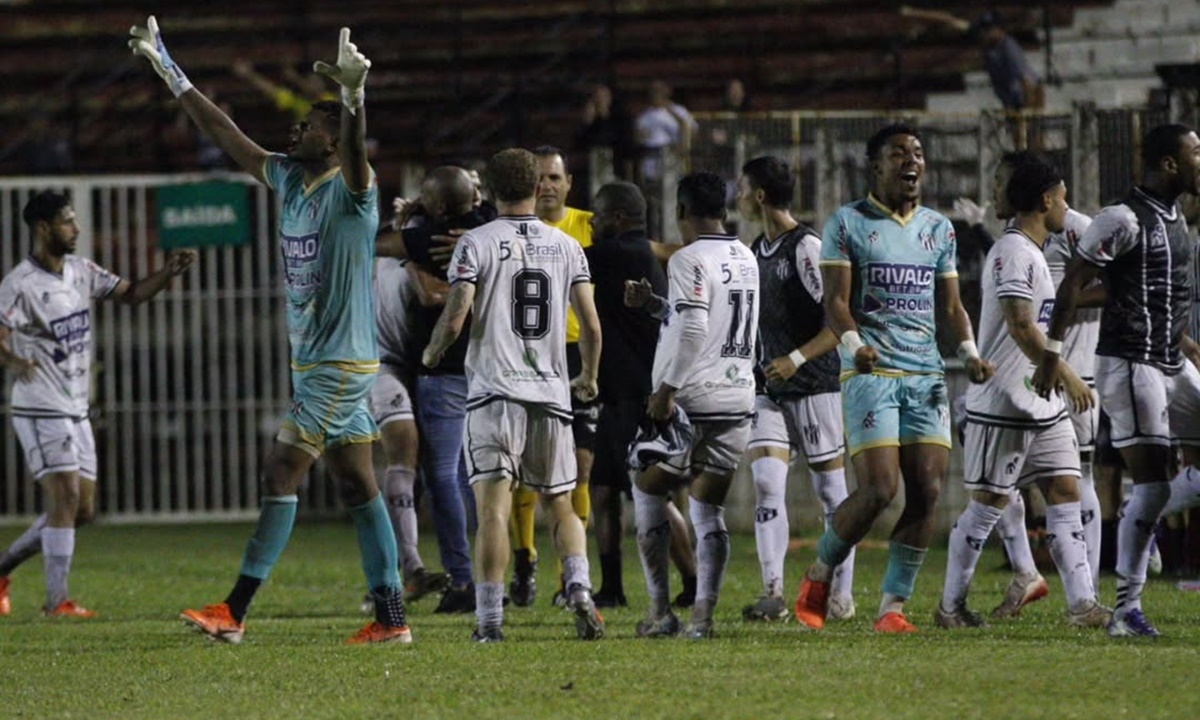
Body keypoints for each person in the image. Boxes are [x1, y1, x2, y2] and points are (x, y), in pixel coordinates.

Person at [131, 17, 410, 644]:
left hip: (339, 362)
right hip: (318, 360)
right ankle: (392, 619)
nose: (298, 130)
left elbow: (359, 152)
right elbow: (225, 132)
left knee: (281, 470)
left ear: (334, 142)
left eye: (312, 126)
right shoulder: (288, 176)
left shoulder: (353, 191)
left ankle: (234, 610)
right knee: (357, 484)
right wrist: (169, 71)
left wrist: (354, 99)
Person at [793, 123, 993, 633]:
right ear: (875, 165)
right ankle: (820, 572)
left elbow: (951, 305)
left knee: (926, 489)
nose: (912, 161)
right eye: (898, 153)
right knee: (879, 489)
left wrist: (968, 352)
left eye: (918, 153)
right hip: (871, 371)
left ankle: (892, 609)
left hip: (925, 373)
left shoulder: (938, 228)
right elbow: (835, 301)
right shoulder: (848, 223)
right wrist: (855, 346)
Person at [422, 148, 604, 643]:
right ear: (535, 187)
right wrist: (587, 374)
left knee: (494, 512)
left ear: (494, 190)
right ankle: (582, 591)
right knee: (561, 504)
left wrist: (433, 353)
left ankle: (489, 621)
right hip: (550, 392)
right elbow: (590, 323)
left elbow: (457, 313)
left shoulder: (476, 242)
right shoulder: (566, 245)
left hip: (494, 394)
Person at [1033, 123, 1200, 638]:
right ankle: (1126, 610)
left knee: (1151, 494)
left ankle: (1137, 511)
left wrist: (1188, 346)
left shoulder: (1176, 220)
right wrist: (1051, 357)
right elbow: (1073, 286)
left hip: (1170, 362)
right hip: (1130, 365)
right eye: (1197, 153)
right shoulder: (1121, 219)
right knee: (1151, 485)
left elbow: (1144, 291)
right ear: (1169, 164)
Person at [0, 190, 197, 618]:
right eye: (68, 222)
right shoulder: (19, 285)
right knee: (65, 495)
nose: (77, 228)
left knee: (82, 509)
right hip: (39, 404)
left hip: (76, 405)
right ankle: (57, 602)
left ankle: (2, 571)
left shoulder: (80, 271)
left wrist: (166, 273)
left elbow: (129, 293)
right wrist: (14, 359)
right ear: (43, 228)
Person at [939, 154, 1110, 629]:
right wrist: (1068, 374)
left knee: (1065, 490)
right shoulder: (1014, 251)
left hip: (1040, 402)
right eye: (1061, 197)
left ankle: (1082, 605)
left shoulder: (1033, 250)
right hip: (1005, 403)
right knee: (988, 505)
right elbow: (1019, 325)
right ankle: (950, 606)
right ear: (1045, 200)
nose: (1066, 206)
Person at [626, 171, 759, 639]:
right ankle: (702, 620)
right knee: (707, 508)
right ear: (723, 210)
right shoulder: (745, 255)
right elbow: (711, 318)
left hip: (692, 397)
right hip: (737, 396)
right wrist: (656, 306)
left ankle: (661, 613)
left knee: (645, 486)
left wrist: (667, 390)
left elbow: (697, 329)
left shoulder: (687, 258)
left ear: (680, 211)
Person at [733, 156, 856, 622]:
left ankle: (839, 596)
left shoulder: (805, 247)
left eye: (743, 189)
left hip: (815, 386)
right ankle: (774, 593)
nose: (738, 198)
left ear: (760, 196)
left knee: (832, 496)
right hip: (769, 389)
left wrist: (797, 359)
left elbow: (839, 322)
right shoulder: (754, 249)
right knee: (766, 484)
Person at [378, 165, 494, 614]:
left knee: (443, 473)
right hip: (490, 364)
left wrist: (408, 227)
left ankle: (463, 579)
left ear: (439, 205)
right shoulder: (492, 227)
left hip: (442, 367)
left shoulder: (428, 237)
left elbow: (370, 244)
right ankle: (496, 576)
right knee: (481, 474)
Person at [508, 146, 599, 608]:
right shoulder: (511, 229)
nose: (547, 185)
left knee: (577, 468)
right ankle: (524, 561)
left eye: (555, 178)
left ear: (568, 184)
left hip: (575, 356)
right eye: (540, 178)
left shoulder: (588, 227)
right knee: (522, 474)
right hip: (527, 357)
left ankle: (570, 577)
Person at [583, 181, 667, 608]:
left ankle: (689, 579)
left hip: (635, 393)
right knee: (602, 488)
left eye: (596, 216)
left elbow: (561, 261)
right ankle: (612, 586)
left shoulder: (620, 254)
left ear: (616, 217)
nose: (591, 224)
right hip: (620, 393)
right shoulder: (641, 253)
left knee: (648, 493)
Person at [367, 252, 450, 608]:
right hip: (378, 370)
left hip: (398, 370)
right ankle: (410, 568)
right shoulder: (402, 270)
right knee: (403, 451)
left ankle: (388, 579)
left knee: (387, 472)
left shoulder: (374, 265)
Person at [899, 8, 1044, 113]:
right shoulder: (984, 39)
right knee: (1018, 140)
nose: (985, 33)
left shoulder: (1008, 47)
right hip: (1010, 97)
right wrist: (914, 13)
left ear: (999, 29)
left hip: (1028, 95)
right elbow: (950, 20)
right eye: (984, 30)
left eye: (989, 30)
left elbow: (1027, 83)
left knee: (1031, 137)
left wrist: (1026, 112)